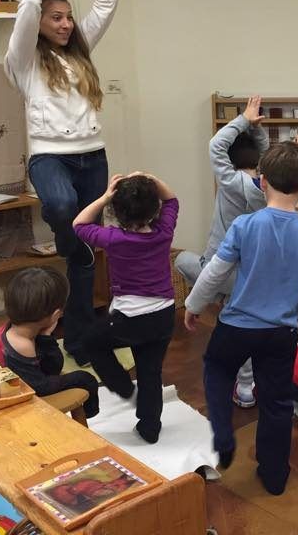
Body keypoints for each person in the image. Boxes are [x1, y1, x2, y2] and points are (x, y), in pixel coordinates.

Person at [183, 141, 298, 495]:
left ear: (262, 183)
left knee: (216, 369)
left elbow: (214, 272)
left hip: (236, 326)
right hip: (281, 333)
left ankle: (223, 435)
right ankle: (275, 476)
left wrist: (194, 305)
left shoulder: (244, 224)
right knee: (277, 403)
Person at [4, 0, 118, 365]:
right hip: (50, 156)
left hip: (93, 156)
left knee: (84, 257)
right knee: (62, 207)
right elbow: (28, 7)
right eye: (57, 18)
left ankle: (81, 339)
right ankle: (69, 241)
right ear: (39, 24)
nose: (67, 24)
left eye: (69, 16)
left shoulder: (80, 50)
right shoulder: (24, 61)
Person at [175, 95, 268, 408]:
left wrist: (244, 121)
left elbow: (216, 145)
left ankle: (217, 297)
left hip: (218, 269)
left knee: (182, 260)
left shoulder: (230, 181)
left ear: (230, 160)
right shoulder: (268, 189)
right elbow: (265, 153)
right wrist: (255, 128)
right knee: (244, 324)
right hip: (251, 275)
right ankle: (246, 388)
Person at [73, 172, 178, 443]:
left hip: (131, 319)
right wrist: (150, 178)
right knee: (150, 370)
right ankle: (150, 427)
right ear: (154, 209)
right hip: (164, 315)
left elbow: (79, 224)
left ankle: (122, 386)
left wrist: (104, 197)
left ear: (117, 212)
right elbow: (172, 200)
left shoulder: (114, 238)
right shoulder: (164, 232)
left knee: (91, 342)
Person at [0, 267, 99, 419]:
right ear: (56, 314)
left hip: (12, 384)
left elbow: (53, 369)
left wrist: (46, 336)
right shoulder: (22, 344)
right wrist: (80, 378)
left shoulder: (19, 329)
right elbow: (39, 387)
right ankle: (90, 413)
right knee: (86, 379)